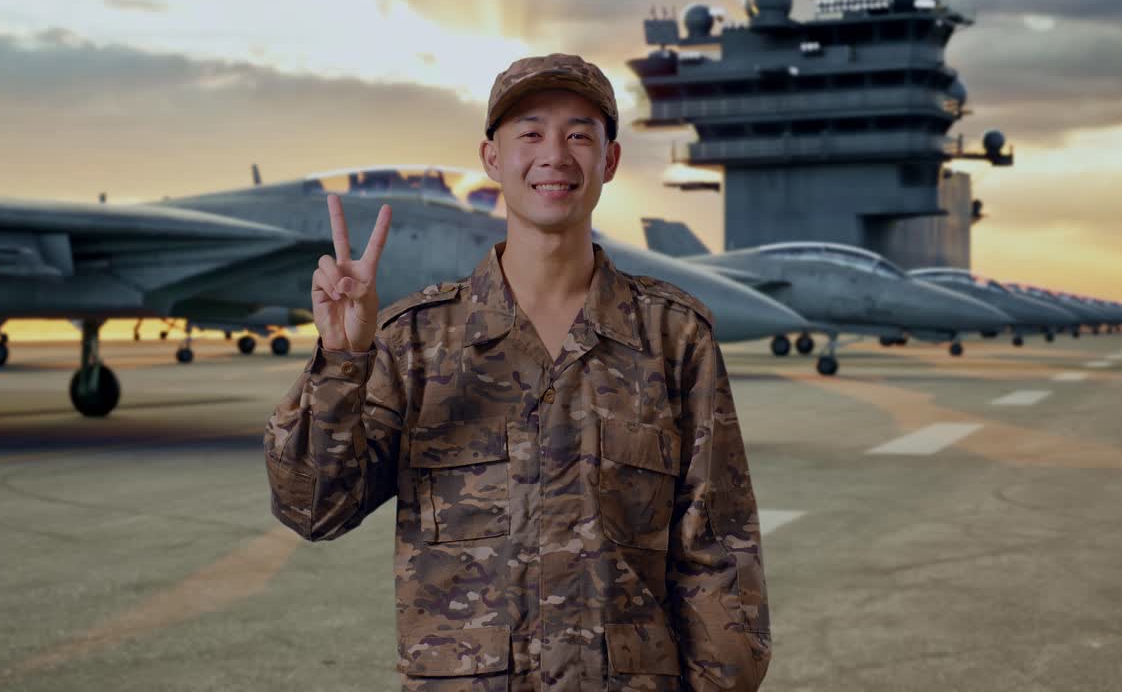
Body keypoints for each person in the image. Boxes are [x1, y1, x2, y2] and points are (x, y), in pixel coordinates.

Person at [264, 53, 771, 690]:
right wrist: (340, 363)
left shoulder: (673, 338)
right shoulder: (415, 343)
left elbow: (719, 558)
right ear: (492, 158)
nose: (554, 154)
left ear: (609, 162)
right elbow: (314, 508)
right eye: (529, 133)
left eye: (580, 134)